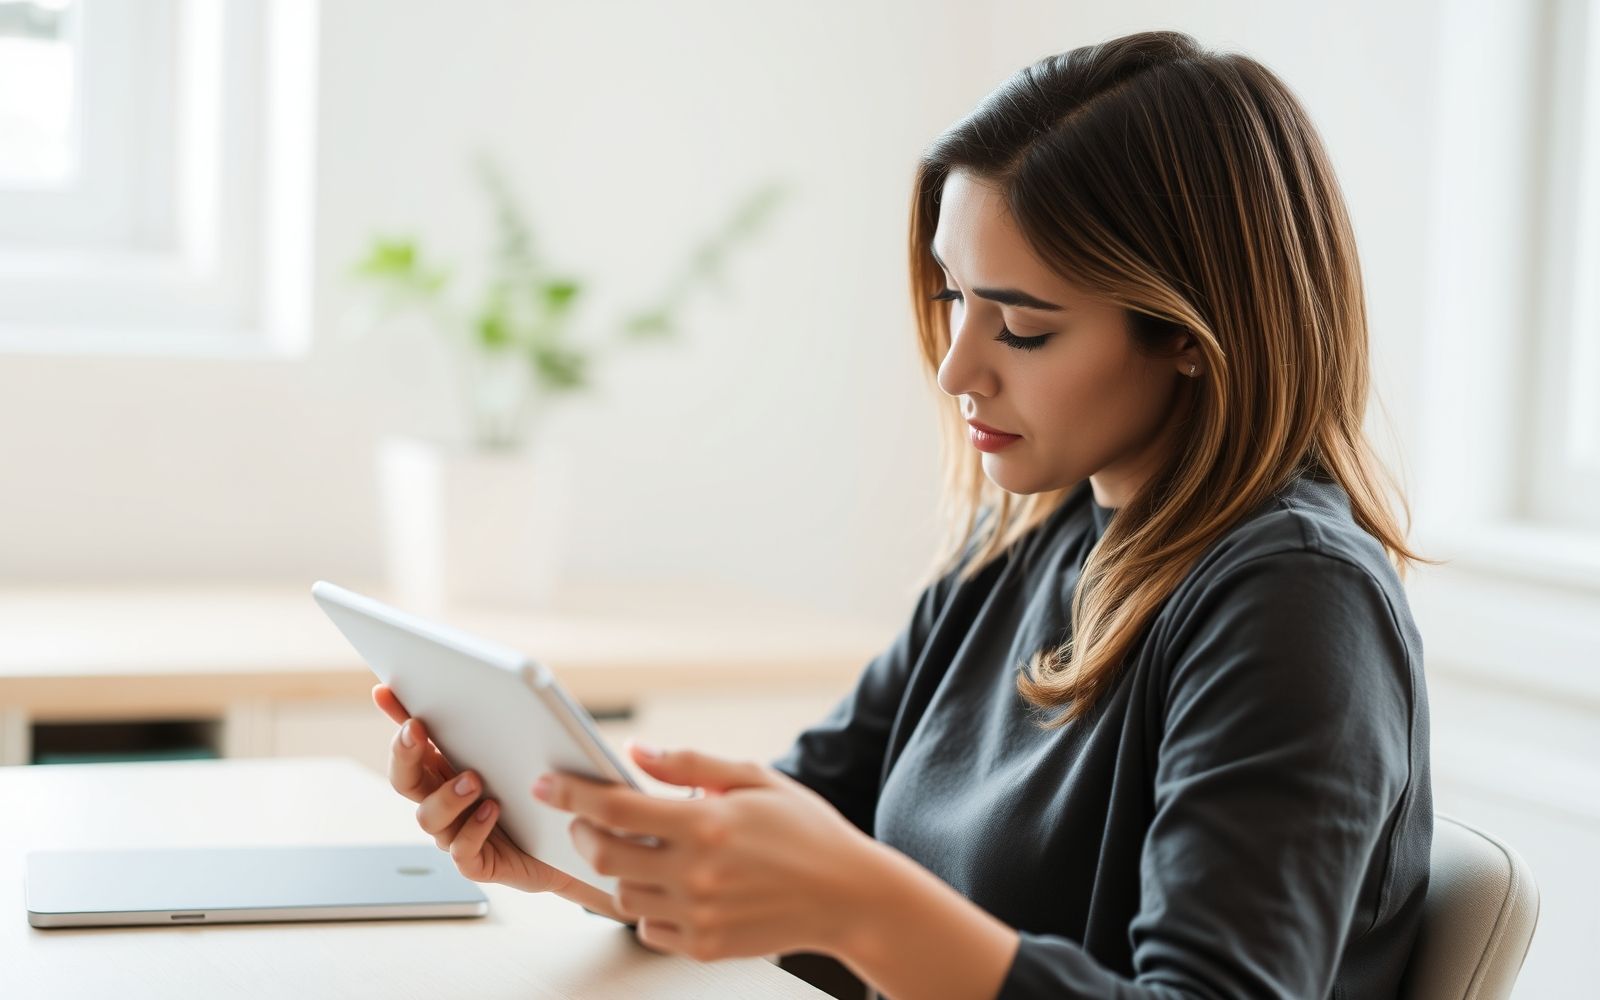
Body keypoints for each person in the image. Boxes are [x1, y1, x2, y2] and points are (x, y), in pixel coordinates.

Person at [372, 29, 1434, 1000]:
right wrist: (570, 855)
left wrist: (861, 903)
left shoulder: (1295, 603)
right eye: (954, 297)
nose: (960, 366)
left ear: (1192, 339)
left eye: (1020, 326)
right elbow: (803, 839)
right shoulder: (1025, 541)